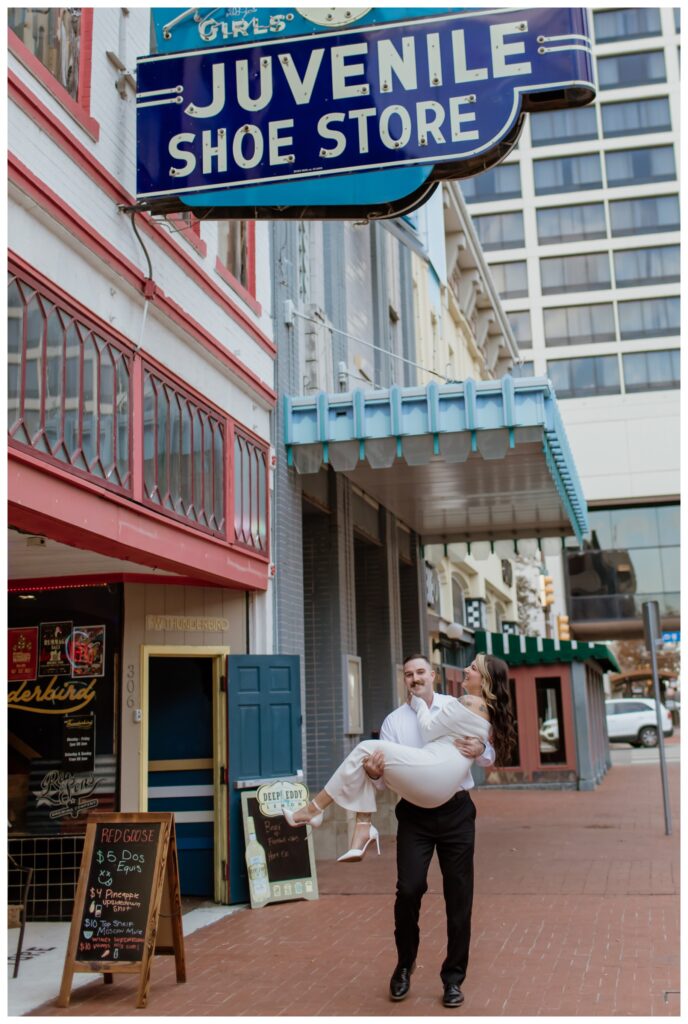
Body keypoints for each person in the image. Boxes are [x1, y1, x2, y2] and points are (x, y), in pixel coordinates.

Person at [283, 652, 515, 1008]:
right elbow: (379, 778)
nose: (415, 678)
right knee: (408, 891)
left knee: (459, 898)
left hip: (455, 811)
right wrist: (374, 774)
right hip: (415, 816)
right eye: (409, 674)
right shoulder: (393, 722)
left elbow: (489, 754)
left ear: (433, 674)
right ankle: (404, 966)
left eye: (421, 671)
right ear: (404, 680)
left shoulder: (457, 703)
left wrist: (482, 747)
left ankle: (453, 979)